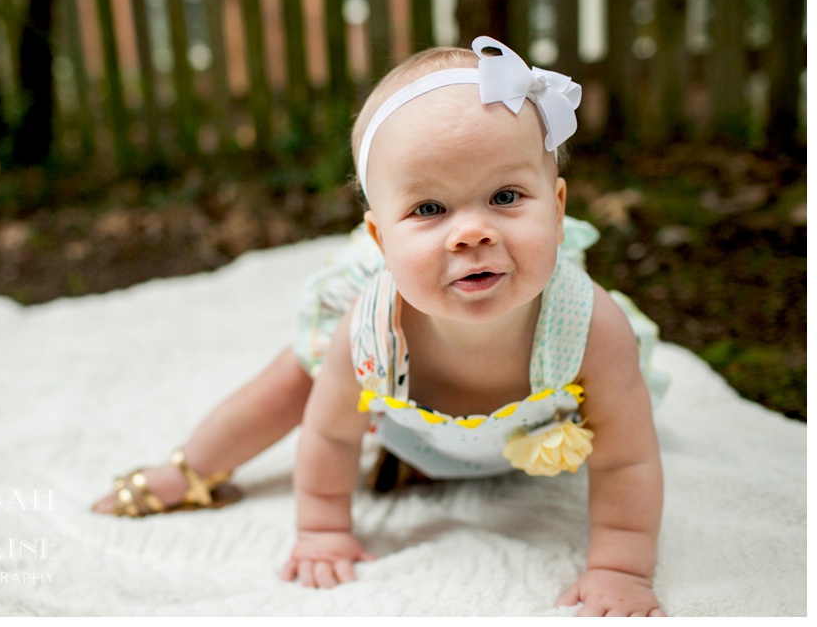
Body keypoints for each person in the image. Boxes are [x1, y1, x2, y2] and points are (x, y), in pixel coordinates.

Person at [93, 35, 667, 617]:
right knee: (299, 377)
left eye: (505, 196)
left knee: (621, 417)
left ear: (559, 207)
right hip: (403, 417)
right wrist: (321, 529)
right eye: (428, 209)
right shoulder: (369, 329)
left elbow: (626, 459)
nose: (472, 232)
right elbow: (332, 435)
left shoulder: (591, 327)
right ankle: (192, 466)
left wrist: (620, 568)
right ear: (379, 241)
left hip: (537, 431)